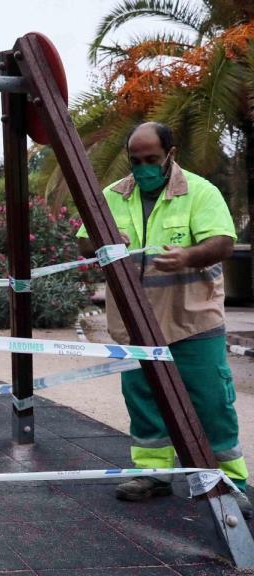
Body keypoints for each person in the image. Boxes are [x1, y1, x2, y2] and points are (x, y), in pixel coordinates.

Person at [77, 122, 249, 515]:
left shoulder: (199, 192)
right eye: (136, 161)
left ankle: (229, 481)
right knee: (143, 399)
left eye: (152, 160)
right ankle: (152, 473)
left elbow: (223, 241)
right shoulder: (111, 196)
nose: (143, 168)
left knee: (210, 400)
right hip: (135, 324)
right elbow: (85, 240)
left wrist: (189, 256)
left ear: (170, 155)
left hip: (192, 321)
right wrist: (103, 242)